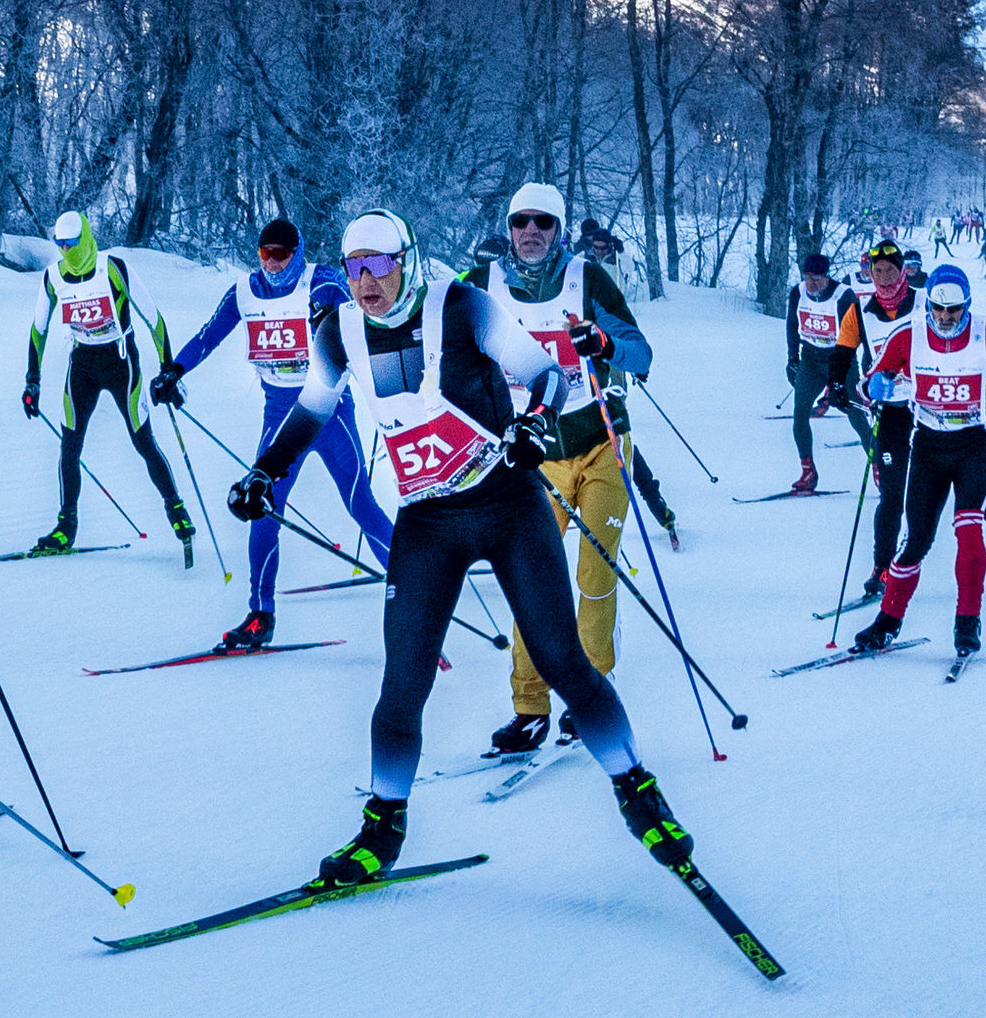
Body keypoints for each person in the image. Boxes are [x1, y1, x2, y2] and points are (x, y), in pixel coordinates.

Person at [220, 211, 722, 898]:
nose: (366, 282)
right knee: (403, 682)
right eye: (354, 267)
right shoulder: (338, 331)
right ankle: (382, 830)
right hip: (429, 521)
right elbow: (310, 410)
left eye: (380, 264)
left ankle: (640, 797)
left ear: (408, 259)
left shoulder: (462, 305)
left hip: (508, 506)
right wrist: (264, 472)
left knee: (562, 660)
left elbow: (548, 377)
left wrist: (535, 428)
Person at [466, 182, 653, 752]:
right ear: (509, 226)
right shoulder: (483, 287)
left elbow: (640, 354)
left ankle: (592, 691)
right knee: (533, 584)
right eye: (521, 221)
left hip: (599, 444)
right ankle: (530, 707)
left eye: (543, 223)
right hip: (531, 457)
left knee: (594, 573)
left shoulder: (587, 279)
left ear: (559, 229)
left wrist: (600, 341)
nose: (530, 232)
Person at [159, 217, 395, 654]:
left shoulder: (319, 281)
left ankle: (415, 603)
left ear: (297, 252)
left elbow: (348, 307)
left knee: (360, 503)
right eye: (264, 254)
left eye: (281, 254)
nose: (271, 264)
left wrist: (331, 314)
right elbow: (209, 335)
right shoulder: (245, 292)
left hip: (329, 414)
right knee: (263, 507)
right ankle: (260, 615)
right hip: (279, 416)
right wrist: (175, 369)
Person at [848, 265, 986, 656]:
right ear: (928, 303)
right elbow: (868, 382)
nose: (945, 318)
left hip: (974, 445)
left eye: (955, 310)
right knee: (915, 541)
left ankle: (967, 621)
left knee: (968, 529)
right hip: (928, 448)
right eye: (938, 309)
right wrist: (875, 387)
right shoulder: (908, 335)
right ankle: (887, 622)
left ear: (967, 305)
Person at [22, 209, 194, 560]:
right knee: (69, 448)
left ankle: (176, 510)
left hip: (120, 362)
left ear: (84, 239)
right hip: (82, 365)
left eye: (71, 243)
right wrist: (32, 380)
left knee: (142, 441)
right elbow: (38, 329)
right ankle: (65, 528)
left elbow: (154, 318)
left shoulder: (111, 267)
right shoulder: (53, 276)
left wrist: (167, 370)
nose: (65, 251)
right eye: (59, 244)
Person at [782, 249, 846, 493]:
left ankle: (878, 467)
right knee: (799, 415)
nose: (812, 283)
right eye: (807, 277)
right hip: (810, 358)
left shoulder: (842, 295)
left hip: (839, 359)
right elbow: (791, 325)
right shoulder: (798, 292)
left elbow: (856, 334)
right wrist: (792, 358)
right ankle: (808, 471)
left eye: (817, 278)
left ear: (826, 277)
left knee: (857, 415)